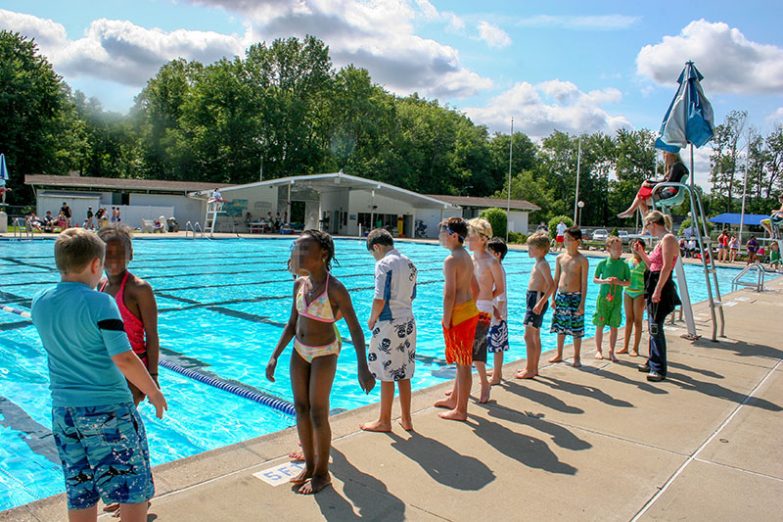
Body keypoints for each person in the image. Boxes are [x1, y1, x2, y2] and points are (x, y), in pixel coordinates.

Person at [30, 228, 167, 522]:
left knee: (80, 488)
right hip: (107, 410)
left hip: (64, 412)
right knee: (132, 488)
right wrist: (154, 392)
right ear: (96, 265)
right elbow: (124, 358)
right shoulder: (100, 302)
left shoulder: (39, 301)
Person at [266, 230, 375, 494]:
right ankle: (311, 464)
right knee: (300, 409)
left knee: (318, 412)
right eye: (297, 250)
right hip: (299, 351)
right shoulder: (299, 285)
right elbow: (292, 324)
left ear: (322, 255)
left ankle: (322, 473)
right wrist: (275, 355)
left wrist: (363, 366)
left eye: (305, 250)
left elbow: (356, 329)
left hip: (325, 353)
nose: (298, 255)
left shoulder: (335, 289)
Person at [361, 229, 417, 433]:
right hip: (409, 323)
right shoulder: (410, 263)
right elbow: (412, 296)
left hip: (389, 324)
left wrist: (372, 318)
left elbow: (379, 298)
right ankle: (407, 419)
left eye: (372, 253)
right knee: (404, 372)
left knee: (386, 373)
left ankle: (384, 421)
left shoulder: (383, 264)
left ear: (376, 247)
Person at [433, 217, 480, 422]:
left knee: (463, 363)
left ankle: (461, 410)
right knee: (462, 361)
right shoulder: (466, 256)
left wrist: (446, 318)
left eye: (442, 233)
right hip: (469, 311)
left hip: (459, 315)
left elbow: (449, 294)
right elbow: (475, 289)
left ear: (453, 235)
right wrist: (468, 307)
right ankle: (454, 398)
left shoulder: (451, 260)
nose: (440, 237)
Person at [633, 211, 681, 382]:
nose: (647, 229)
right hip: (654, 283)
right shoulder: (661, 241)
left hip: (661, 285)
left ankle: (659, 369)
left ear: (653, 223)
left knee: (655, 327)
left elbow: (666, 267)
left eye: (647, 225)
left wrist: (658, 289)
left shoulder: (668, 239)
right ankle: (652, 360)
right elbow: (652, 265)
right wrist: (640, 253)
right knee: (652, 325)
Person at [465, 218, 503, 403]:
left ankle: (484, 384)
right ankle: (459, 387)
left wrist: (488, 301)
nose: (467, 241)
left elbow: (500, 288)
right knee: (463, 349)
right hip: (467, 308)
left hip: (482, 309)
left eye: (471, 237)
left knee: (477, 349)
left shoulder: (491, 262)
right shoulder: (470, 259)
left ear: (482, 238)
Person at [548, 227, 589, 367]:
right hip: (561, 296)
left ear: (577, 241)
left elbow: (584, 283)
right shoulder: (560, 258)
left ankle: (576, 356)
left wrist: (582, 303)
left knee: (577, 328)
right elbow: (556, 279)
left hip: (575, 297)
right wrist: (552, 298)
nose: (565, 242)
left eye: (569, 240)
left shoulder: (582, 260)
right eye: (564, 239)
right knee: (560, 327)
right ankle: (559, 353)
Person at [516, 232, 555, 379]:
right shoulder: (538, 262)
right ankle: (533, 367)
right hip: (534, 297)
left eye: (531, 248)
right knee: (535, 335)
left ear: (541, 250)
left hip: (537, 298)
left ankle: (530, 368)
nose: (528, 250)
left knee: (529, 336)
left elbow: (551, 285)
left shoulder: (543, 264)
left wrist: (541, 302)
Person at [592, 236, 631, 362]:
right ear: (608, 249)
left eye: (621, 248)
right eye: (616, 248)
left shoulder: (624, 265)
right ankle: (598, 349)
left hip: (616, 299)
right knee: (600, 324)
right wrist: (605, 281)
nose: (619, 250)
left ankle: (611, 351)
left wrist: (619, 282)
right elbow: (595, 279)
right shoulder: (602, 264)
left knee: (614, 325)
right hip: (603, 299)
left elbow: (628, 282)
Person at [617, 151, 688, 219]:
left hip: (671, 194)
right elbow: (665, 181)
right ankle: (636, 216)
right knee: (641, 197)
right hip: (671, 192)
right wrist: (649, 182)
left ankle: (641, 220)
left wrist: (649, 185)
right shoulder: (678, 166)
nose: (664, 158)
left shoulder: (676, 166)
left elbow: (667, 182)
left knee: (641, 199)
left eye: (665, 155)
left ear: (672, 155)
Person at [486, 237, 509, 385]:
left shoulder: (498, 270)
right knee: (494, 345)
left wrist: (499, 314)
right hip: (493, 313)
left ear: (497, 254)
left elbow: (501, 296)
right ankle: (496, 370)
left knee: (497, 346)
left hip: (497, 315)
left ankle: (497, 375)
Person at [618, 239, 647, 357]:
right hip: (628, 292)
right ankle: (625, 346)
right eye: (634, 246)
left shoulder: (646, 263)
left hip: (639, 293)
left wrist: (646, 297)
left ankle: (635, 348)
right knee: (629, 320)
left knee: (638, 321)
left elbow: (649, 279)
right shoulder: (627, 262)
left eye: (638, 246)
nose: (635, 248)